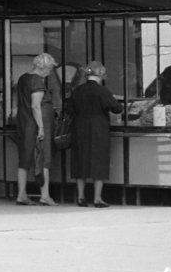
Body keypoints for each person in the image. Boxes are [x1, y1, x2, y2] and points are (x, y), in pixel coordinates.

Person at [68, 62, 123, 207]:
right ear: (100, 74)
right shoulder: (103, 91)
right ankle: (97, 198)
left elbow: (69, 110)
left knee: (80, 160)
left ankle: (81, 197)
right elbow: (117, 108)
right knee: (99, 160)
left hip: (79, 127)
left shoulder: (77, 90)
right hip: (99, 127)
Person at [13, 53, 58, 206]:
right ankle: (45, 195)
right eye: (50, 69)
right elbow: (35, 106)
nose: (50, 72)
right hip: (35, 124)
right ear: (44, 67)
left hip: (23, 122)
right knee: (43, 158)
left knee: (24, 159)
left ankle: (21, 194)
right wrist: (41, 127)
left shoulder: (23, 78)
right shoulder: (37, 81)